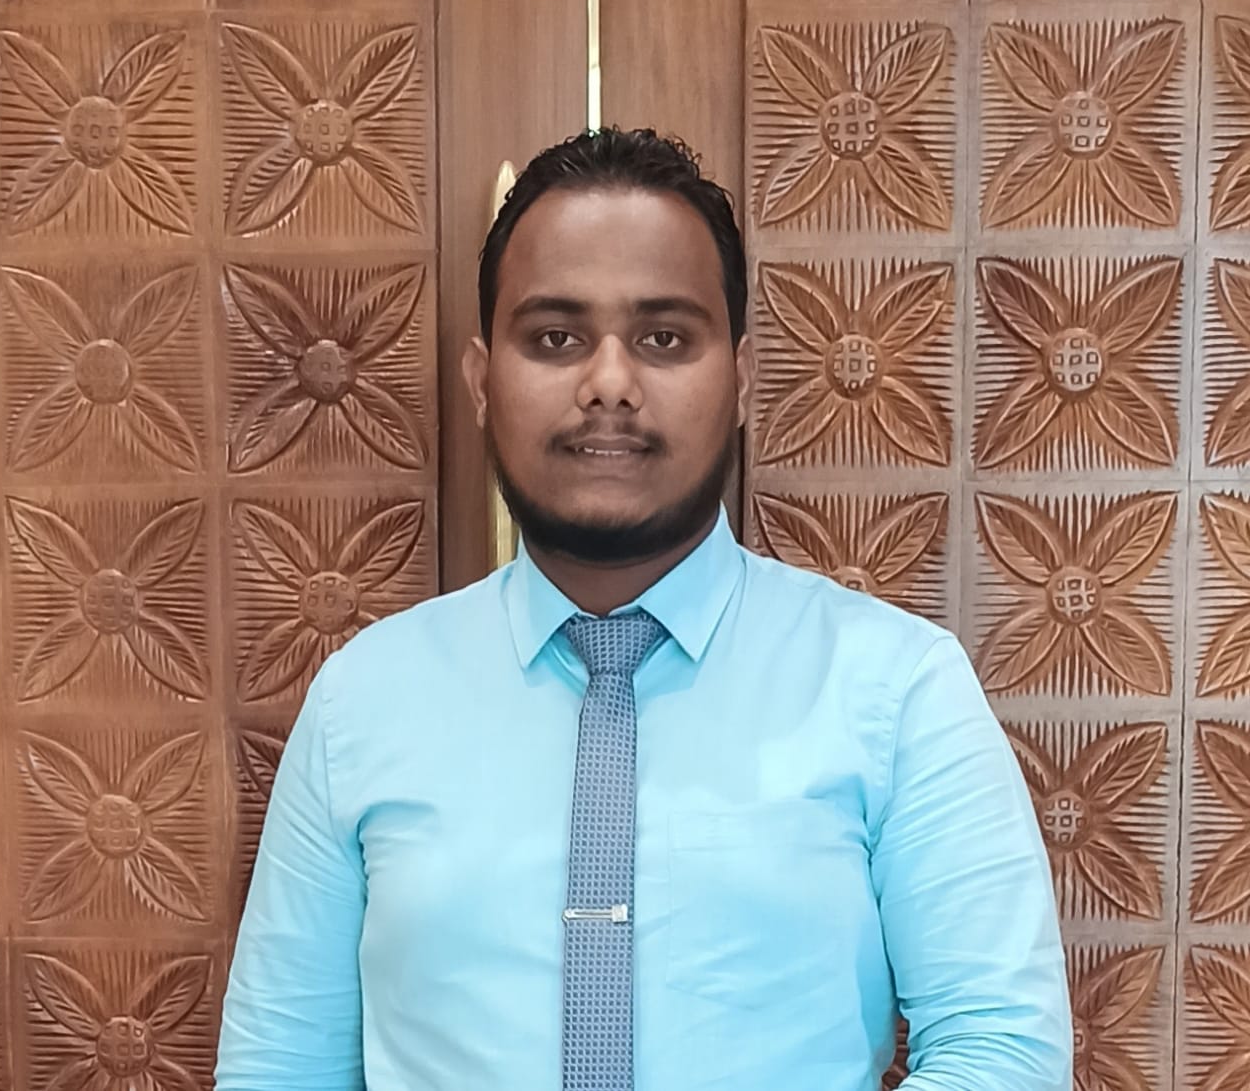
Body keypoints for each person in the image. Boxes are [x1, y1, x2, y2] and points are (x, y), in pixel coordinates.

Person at [214, 127, 1073, 1091]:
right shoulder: (362, 704)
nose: (610, 383)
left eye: (664, 337)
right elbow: (278, 1068)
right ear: (482, 381)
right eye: (556, 337)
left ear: (741, 380)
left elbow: (1002, 1048)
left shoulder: (896, 688)